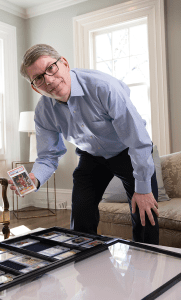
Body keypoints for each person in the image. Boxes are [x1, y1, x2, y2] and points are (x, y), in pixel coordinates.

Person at [9, 44, 159, 244]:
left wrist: (143, 189)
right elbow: (48, 155)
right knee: (80, 217)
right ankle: (88, 266)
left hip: (128, 151)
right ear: (34, 86)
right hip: (92, 157)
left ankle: (147, 268)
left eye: (51, 68)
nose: (49, 80)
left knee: (145, 216)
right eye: (38, 78)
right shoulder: (43, 112)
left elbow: (138, 141)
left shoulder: (103, 87)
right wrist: (34, 179)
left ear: (64, 63)